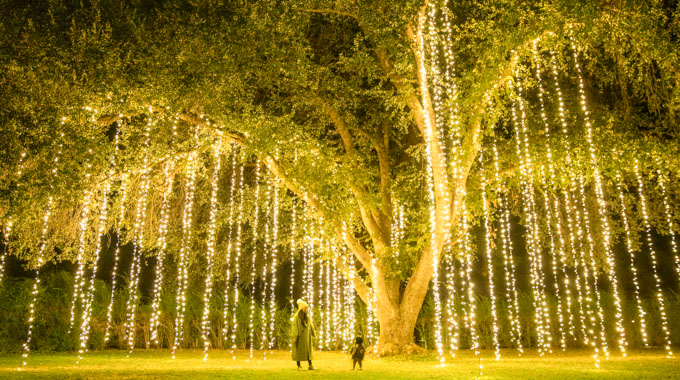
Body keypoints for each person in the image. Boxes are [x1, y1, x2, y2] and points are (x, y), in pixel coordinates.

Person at [291, 299, 316, 370]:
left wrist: (313, 333)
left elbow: (310, 324)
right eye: (305, 308)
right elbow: (294, 327)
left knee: (308, 351)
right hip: (300, 336)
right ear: (301, 308)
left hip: (307, 337)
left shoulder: (306, 316)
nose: (306, 309)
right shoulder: (296, 317)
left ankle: (310, 365)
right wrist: (295, 336)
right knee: (298, 351)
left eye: (306, 308)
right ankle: (299, 365)